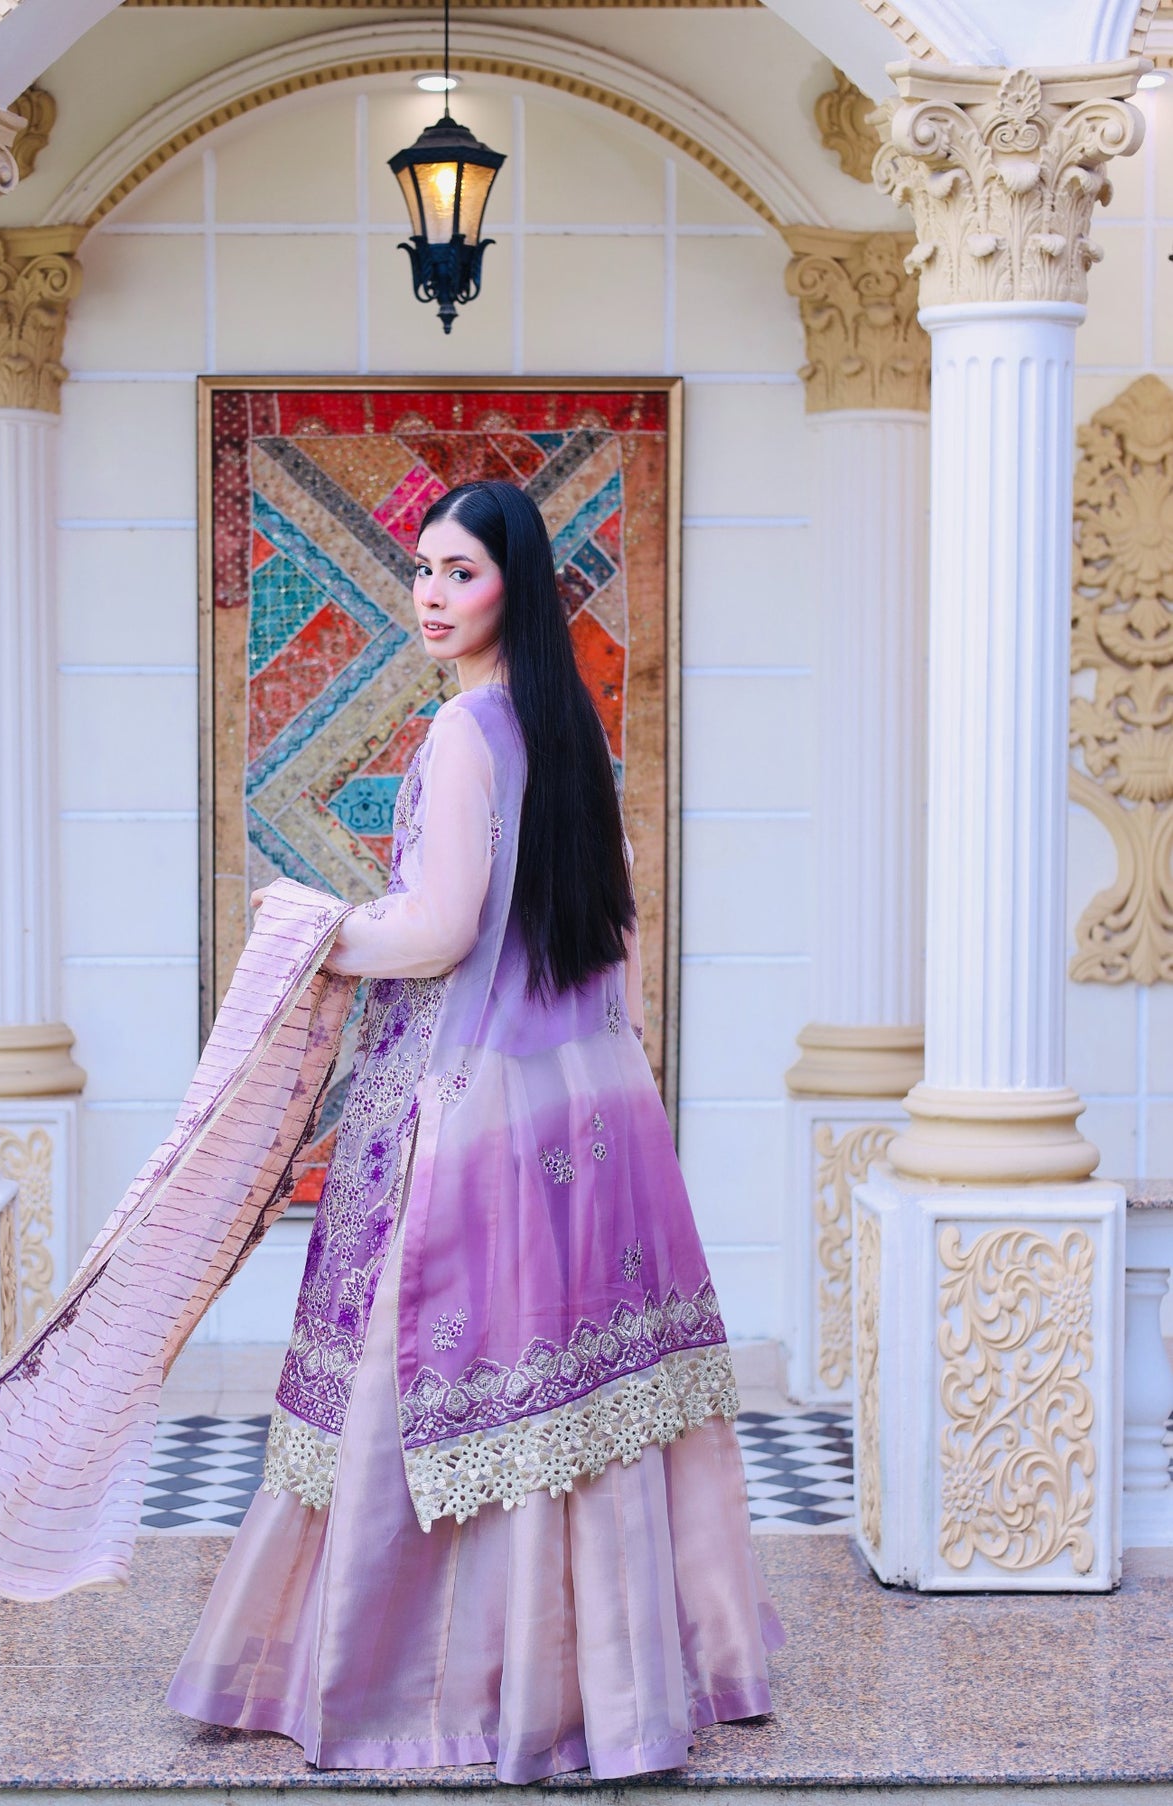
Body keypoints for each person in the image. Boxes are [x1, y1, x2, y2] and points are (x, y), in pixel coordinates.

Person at [167, 479, 784, 1781]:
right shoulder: (560, 732)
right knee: (574, 1393)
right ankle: (616, 1680)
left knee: (439, 1390)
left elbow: (439, 930)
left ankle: (431, 1686)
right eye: (422, 569)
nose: (431, 595)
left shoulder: (461, 734)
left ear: (512, 583)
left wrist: (314, 927)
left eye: (459, 572)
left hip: (468, 1107)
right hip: (583, 1104)